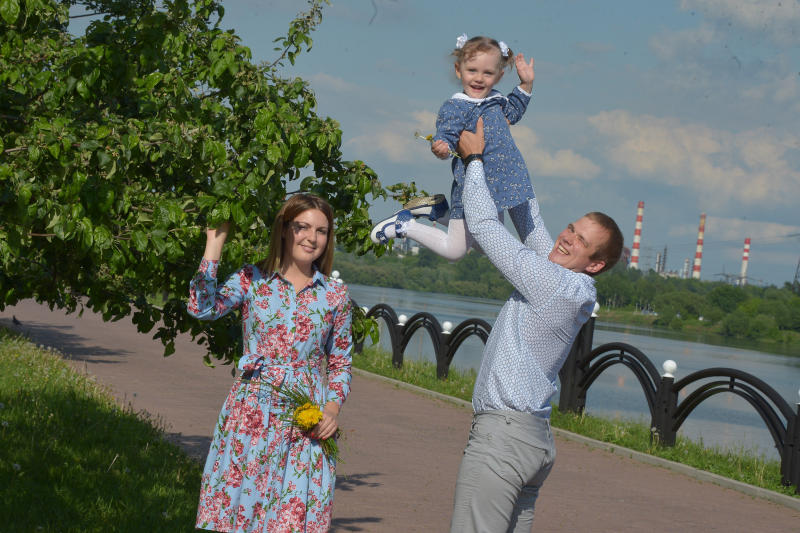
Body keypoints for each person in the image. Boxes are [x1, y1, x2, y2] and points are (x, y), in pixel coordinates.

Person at [450, 119, 624, 532]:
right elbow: (528, 217)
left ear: (595, 264)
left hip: (503, 441)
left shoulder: (556, 285)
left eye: (581, 241)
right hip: (532, 442)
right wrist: (499, 137)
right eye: (572, 228)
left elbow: (486, 226)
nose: (567, 239)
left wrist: (474, 159)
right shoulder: (568, 280)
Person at [188, 193, 353, 532]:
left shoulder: (334, 295)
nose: (312, 238)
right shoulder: (253, 279)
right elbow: (202, 309)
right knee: (243, 512)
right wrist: (214, 246)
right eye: (302, 227)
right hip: (253, 414)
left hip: (304, 419)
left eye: (321, 231)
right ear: (284, 229)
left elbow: (340, 363)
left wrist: (333, 411)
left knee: (291, 518)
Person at [370, 34, 536, 261]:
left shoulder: (496, 101)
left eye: (487, 73)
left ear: (498, 76)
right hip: (471, 189)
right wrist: (442, 147)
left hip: (497, 190)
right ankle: (404, 226)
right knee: (455, 251)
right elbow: (446, 135)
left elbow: (514, 112)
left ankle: (438, 212)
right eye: (472, 71)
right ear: (459, 70)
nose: (479, 78)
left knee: (493, 245)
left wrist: (526, 84)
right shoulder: (457, 106)